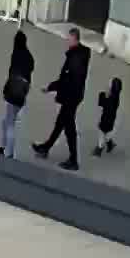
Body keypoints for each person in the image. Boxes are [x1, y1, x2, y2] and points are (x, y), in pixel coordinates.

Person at [33, 29, 90, 170]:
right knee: (60, 123)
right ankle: (46, 147)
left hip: (71, 97)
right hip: (74, 95)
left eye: (69, 39)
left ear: (75, 39)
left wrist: (50, 88)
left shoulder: (75, 59)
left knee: (69, 128)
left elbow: (67, 80)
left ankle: (73, 160)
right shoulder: (79, 53)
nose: (67, 41)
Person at [0, 31, 35, 158]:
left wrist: (5, 91)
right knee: (6, 121)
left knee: (9, 124)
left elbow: (11, 74)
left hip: (12, 92)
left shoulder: (16, 55)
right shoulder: (30, 57)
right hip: (21, 94)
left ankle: (9, 153)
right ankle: (3, 148)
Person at [94, 77, 122, 157]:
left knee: (102, 132)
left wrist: (102, 95)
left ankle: (99, 149)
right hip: (111, 119)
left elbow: (102, 105)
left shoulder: (109, 98)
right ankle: (110, 144)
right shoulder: (116, 97)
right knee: (107, 133)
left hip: (106, 119)